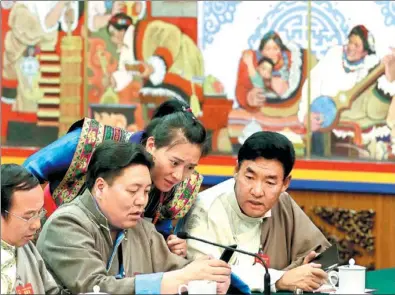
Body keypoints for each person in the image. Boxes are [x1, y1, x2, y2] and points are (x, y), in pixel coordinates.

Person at [36, 141, 231, 294]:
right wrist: (179, 279)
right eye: (133, 190)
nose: (142, 201)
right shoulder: (66, 224)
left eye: (146, 191)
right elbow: (94, 288)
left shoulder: (142, 229)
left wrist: (209, 277)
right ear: (101, 187)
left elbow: (178, 269)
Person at [23, 99, 208, 257]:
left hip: (117, 268)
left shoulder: (182, 187)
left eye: (190, 167)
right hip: (46, 244)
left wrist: (170, 247)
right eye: (174, 163)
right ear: (151, 145)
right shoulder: (92, 141)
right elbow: (25, 174)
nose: (179, 175)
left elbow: (159, 234)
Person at [179, 131, 330, 293]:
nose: (257, 191)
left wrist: (310, 270)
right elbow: (206, 274)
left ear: (285, 183)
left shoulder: (283, 204)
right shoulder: (205, 207)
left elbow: (324, 257)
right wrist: (280, 279)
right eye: (250, 177)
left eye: (270, 182)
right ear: (236, 170)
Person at [297, 25, 395, 159]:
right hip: (320, 110)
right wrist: (306, 111)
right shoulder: (334, 54)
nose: (351, 48)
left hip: (350, 114)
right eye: (350, 42)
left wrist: (389, 75)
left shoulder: (370, 67)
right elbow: (313, 81)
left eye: (357, 45)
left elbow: (376, 104)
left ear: (365, 52)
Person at [104, 13, 204, 103]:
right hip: (164, 88)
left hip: (185, 64)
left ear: (122, 31)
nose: (112, 40)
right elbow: (126, 69)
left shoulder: (149, 29)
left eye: (113, 34)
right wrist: (113, 80)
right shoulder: (126, 51)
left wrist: (156, 64)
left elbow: (172, 34)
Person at [1, 164, 59, 294]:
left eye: (39, 213)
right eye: (28, 216)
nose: (37, 225)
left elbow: (51, 291)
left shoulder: (26, 248)